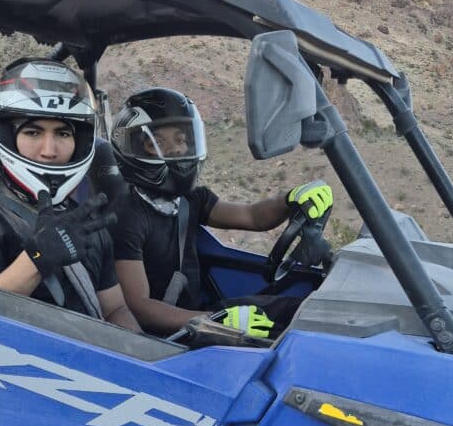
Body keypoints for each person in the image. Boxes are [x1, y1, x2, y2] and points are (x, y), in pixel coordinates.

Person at [0, 58, 140, 332]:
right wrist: (38, 258)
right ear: (6, 135)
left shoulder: (84, 221)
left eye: (63, 133)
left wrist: (154, 365)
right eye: (33, 132)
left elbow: (115, 308)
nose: (49, 150)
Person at [110, 87, 332, 338]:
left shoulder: (189, 198)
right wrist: (215, 321)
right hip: (170, 338)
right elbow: (139, 307)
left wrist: (291, 198)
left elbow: (252, 217)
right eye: (157, 143)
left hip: (200, 316)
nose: (175, 150)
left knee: (298, 313)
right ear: (132, 147)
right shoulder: (127, 215)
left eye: (181, 139)